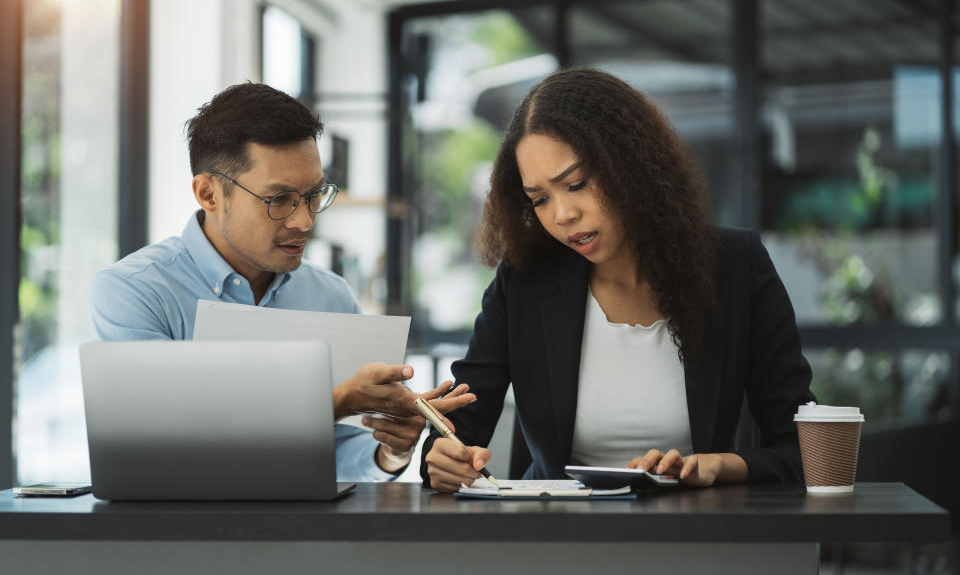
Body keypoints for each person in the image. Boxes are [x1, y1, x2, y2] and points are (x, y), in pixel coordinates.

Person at [422, 68, 816, 492]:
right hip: (560, 542)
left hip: (696, 539)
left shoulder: (735, 268)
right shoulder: (523, 283)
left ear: (630, 163)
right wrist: (443, 459)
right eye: (539, 199)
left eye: (576, 184)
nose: (562, 215)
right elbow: (456, 430)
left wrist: (718, 465)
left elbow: (802, 449)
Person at [89, 82, 474, 482]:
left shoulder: (330, 295)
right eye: (279, 200)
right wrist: (336, 402)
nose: (304, 221)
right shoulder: (135, 292)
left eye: (312, 195)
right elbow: (165, 443)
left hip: (308, 535)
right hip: (179, 536)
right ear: (208, 194)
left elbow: (343, 453)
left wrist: (391, 451)